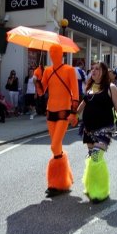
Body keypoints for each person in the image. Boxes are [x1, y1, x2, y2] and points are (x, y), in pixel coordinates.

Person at [77, 61, 117, 203]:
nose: (93, 71)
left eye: (97, 69)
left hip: (104, 129)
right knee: (91, 158)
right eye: (92, 68)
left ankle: (100, 191)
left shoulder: (111, 87)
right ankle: (91, 187)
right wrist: (73, 116)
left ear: (104, 72)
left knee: (95, 157)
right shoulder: (89, 87)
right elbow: (83, 104)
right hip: (88, 129)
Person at [41, 44, 79, 198]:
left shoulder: (69, 70)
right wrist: (37, 77)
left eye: (55, 52)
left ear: (61, 54)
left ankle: (57, 183)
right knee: (57, 147)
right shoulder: (47, 71)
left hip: (64, 111)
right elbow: (40, 91)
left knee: (54, 145)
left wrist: (74, 113)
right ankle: (63, 179)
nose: (53, 54)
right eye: (51, 52)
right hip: (50, 112)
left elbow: (75, 93)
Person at [109, 69, 117, 135]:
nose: (109, 75)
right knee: (109, 116)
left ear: (114, 75)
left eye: (110, 74)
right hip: (108, 102)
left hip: (116, 101)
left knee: (116, 116)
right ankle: (110, 130)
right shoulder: (106, 83)